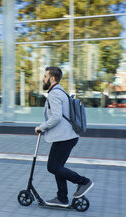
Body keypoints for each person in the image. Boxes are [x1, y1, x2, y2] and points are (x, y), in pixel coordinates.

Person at [35, 66, 94, 207]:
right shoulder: (61, 91)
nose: (43, 79)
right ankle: (62, 198)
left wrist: (41, 127)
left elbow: (56, 117)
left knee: (53, 167)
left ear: (52, 78)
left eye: (45, 76)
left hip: (65, 138)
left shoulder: (54, 94)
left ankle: (83, 182)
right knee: (58, 166)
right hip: (68, 136)